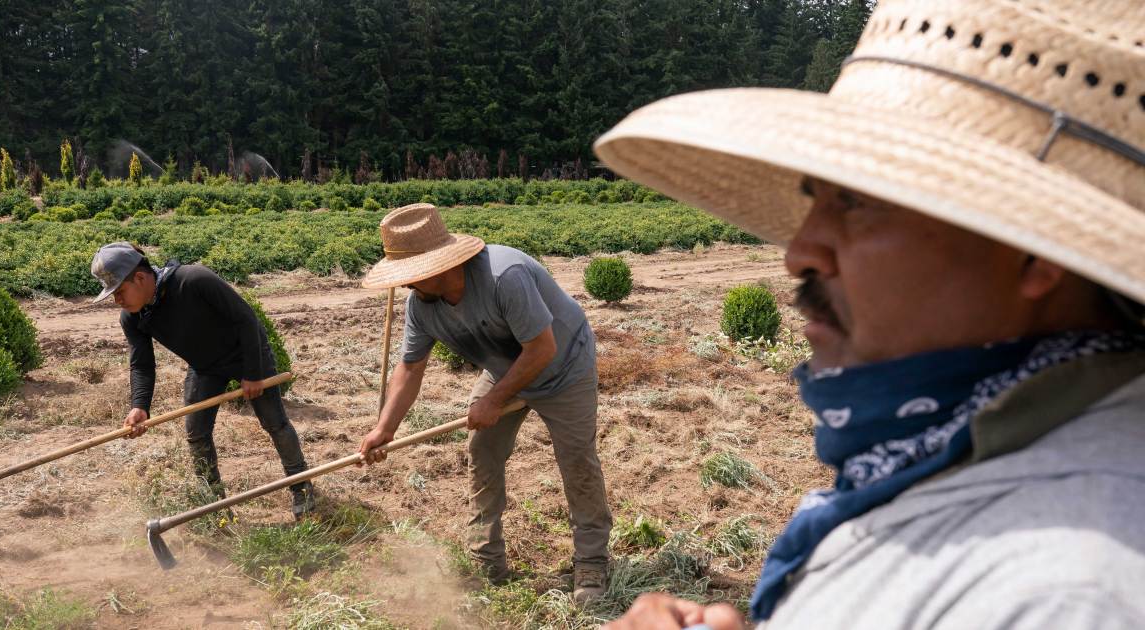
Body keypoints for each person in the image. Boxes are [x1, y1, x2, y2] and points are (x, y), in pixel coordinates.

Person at [592, 0, 1145, 627]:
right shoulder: (954, 450)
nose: (800, 251)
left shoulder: (1065, 593)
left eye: (855, 201)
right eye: (816, 196)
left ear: (1037, 249)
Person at [355, 203, 613, 602]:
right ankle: (486, 556)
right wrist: (384, 428)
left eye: (411, 277)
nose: (406, 286)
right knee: (483, 452)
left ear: (437, 266)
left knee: (577, 460)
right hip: (507, 365)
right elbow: (410, 368)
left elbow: (542, 348)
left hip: (563, 365)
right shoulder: (421, 306)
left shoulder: (502, 276)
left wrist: (493, 400)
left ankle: (592, 563)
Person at [90, 242, 315, 519]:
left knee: (275, 423)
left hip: (245, 354)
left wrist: (254, 374)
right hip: (205, 367)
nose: (118, 301)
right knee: (196, 434)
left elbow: (246, 319)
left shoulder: (194, 280)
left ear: (140, 277)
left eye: (119, 292)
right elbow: (142, 364)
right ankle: (214, 505)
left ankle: (301, 487)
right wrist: (140, 406)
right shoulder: (133, 318)